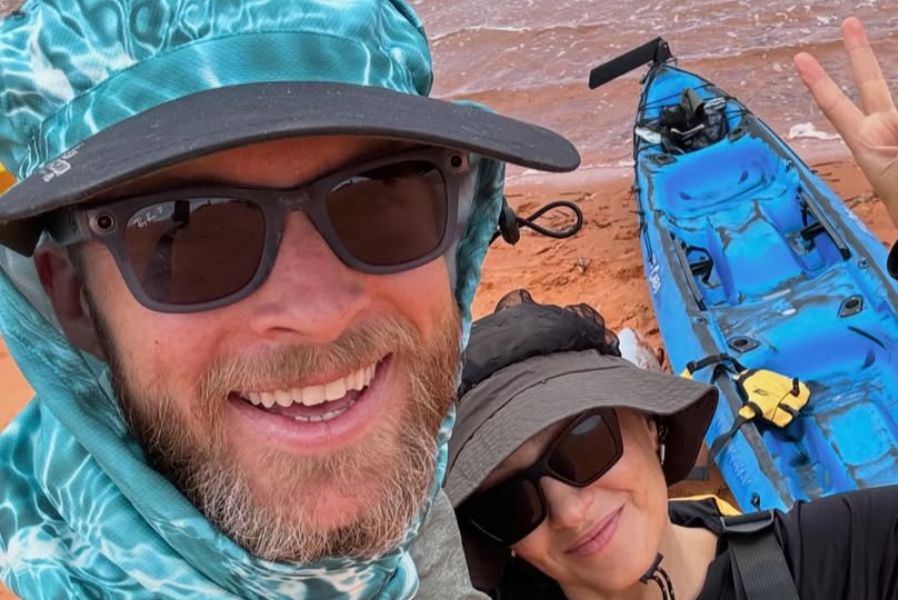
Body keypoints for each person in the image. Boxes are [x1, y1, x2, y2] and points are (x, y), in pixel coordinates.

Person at [445, 18, 898, 600]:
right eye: (510, 503)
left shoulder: (829, 565)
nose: (569, 512)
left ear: (649, 426)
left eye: (583, 444)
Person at [0, 1, 577, 598]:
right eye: (191, 230)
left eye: (378, 192)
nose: (320, 317)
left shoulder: (414, 487)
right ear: (74, 301)